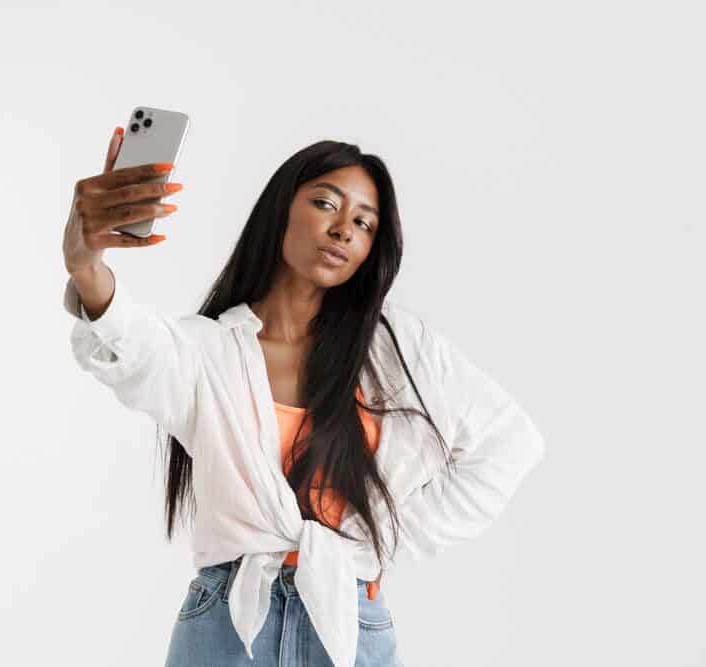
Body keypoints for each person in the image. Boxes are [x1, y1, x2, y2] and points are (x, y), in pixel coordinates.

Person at [61, 130, 546, 666]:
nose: (343, 229)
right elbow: (129, 344)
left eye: (363, 223)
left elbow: (510, 442)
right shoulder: (208, 351)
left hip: (349, 620)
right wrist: (86, 263)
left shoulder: (396, 347)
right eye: (325, 204)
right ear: (280, 210)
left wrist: (386, 536)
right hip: (230, 621)